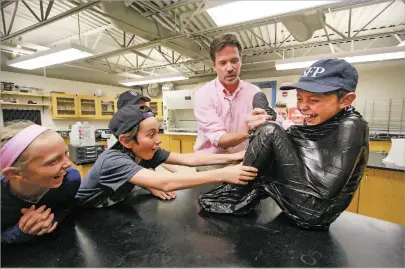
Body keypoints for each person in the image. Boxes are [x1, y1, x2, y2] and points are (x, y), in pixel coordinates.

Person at [198, 59, 369, 229]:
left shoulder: (352, 126)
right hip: (304, 200)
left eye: (313, 100)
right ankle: (240, 190)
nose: (302, 106)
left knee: (270, 131)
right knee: (271, 130)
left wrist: (275, 155)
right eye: (299, 98)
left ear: (346, 100)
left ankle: (237, 193)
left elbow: (325, 188)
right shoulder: (328, 119)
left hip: (313, 210)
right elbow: (302, 148)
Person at [75, 104, 258, 208]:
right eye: (151, 134)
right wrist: (223, 174)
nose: (159, 140)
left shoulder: (143, 152)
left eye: (158, 132)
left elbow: (189, 159)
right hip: (81, 217)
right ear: (126, 140)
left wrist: (234, 157)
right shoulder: (113, 161)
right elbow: (166, 183)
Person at [1, 121, 81, 243]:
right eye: (53, 161)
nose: (69, 164)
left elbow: (65, 208)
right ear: (14, 173)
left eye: (66, 154)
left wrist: (51, 220)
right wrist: (20, 231)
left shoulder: (70, 180)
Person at [193, 33, 262, 172]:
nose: (229, 68)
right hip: (210, 164)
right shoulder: (204, 95)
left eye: (234, 61)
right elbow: (220, 140)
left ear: (241, 60)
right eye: (223, 63)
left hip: (241, 161)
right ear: (214, 65)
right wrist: (251, 130)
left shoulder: (254, 92)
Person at [116, 90, 180, 200]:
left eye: (143, 107)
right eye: (138, 107)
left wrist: (178, 172)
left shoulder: (143, 129)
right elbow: (130, 170)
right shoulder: (124, 136)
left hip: (148, 181)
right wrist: (153, 187)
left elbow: (159, 154)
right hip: (129, 189)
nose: (143, 111)